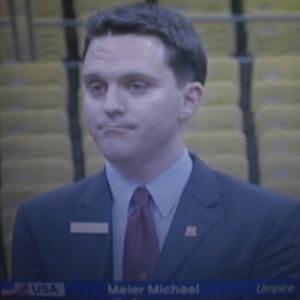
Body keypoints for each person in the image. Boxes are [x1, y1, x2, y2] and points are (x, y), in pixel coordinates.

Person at [12, 1, 299, 296]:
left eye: (136, 85)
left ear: (189, 100)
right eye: (96, 87)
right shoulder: (40, 223)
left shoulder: (270, 223)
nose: (110, 106)